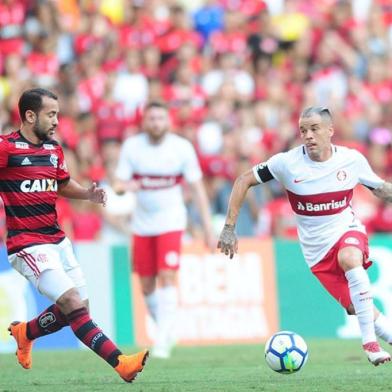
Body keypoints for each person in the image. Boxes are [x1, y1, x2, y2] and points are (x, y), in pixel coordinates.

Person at [218, 106, 392, 366]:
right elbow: (243, 180)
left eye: (314, 129)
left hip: (346, 231)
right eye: (303, 130)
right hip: (316, 251)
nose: (308, 135)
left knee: (350, 258)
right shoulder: (286, 163)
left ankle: (369, 344)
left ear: (330, 131)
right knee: (359, 307)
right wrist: (229, 227)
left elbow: (380, 189)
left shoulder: (351, 160)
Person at [4, 88, 148, 382]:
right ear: (30, 116)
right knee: (71, 302)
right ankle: (121, 363)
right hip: (27, 244)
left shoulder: (53, 149)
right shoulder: (6, 148)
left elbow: (61, 183)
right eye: (51, 114)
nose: (57, 121)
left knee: (79, 308)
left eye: (57, 113)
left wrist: (87, 194)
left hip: (58, 240)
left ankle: (27, 332)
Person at [115, 101, 215, 359]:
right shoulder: (132, 147)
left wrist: (207, 228)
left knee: (167, 274)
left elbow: (197, 189)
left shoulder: (181, 148)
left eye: (161, 118)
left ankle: (161, 341)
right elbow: (117, 184)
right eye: (152, 119)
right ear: (144, 122)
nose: (156, 123)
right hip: (142, 224)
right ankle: (166, 330)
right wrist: (126, 186)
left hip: (171, 221)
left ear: (168, 121)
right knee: (146, 284)